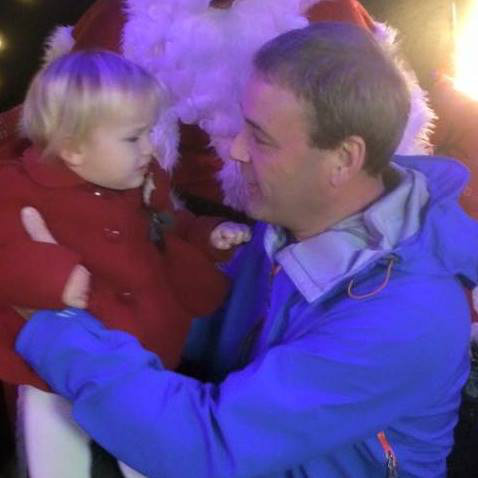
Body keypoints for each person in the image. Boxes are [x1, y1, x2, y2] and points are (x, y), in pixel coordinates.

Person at [14, 22, 477, 477]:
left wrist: (53, 327)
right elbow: (213, 319)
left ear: (343, 159)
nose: (236, 150)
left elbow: (208, 447)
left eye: (260, 137)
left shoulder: (405, 320)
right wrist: (94, 278)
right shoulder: (299, 214)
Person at [0, 49, 250, 477]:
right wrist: (52, 275)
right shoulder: (18, 190)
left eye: (149, 132)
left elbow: (167, 225)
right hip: (49, 371)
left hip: (140, 352)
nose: (150, 148)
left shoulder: (139, 178)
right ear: (73, 149)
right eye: (134, 138)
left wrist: (206, 235)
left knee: (143, 446)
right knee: (55, 457)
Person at [0, 0, 434, 213]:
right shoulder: (124, 17)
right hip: (162, 224)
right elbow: (59, 131)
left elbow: (389, 150)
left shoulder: (329, 16)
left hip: (300, 222)